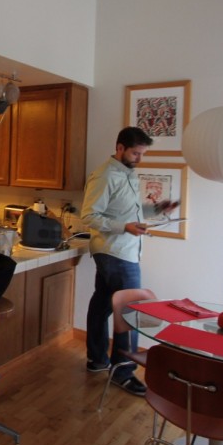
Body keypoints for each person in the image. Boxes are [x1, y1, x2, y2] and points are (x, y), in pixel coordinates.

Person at [80, 126, 178, 396]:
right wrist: (125, 227)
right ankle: (123, 372)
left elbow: (127, 210)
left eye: (142, 153)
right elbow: (89, 216)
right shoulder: (104, 176)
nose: (139, 158)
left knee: (101, 306)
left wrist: (157, 209)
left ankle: (97, 360)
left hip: (123, 250)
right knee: (131, 313)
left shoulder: (128, 174)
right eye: (136, 153)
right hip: (115, 253)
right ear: (120, 147)